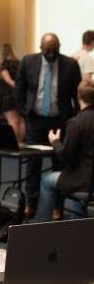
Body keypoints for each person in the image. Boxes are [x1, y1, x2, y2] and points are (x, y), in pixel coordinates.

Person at [15, 33, 82, 218]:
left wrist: (75, 118)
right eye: (47, 50)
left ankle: (57, 207)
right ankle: (31, 203)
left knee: (59, 164)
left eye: (55, 49)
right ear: (40, 48)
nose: (51, 53)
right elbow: (19, 88)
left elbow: (77, 94)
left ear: (59, 46)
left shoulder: (70, 65)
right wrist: (23, 111)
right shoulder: (28, 62)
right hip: (35, 120)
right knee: (32, 164)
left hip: (60, 121)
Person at [33, 79, 94, 222]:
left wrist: (55, 141)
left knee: (47, 180)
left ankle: (40, 225)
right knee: (73, 178)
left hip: (83, 181)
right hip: (89, 179)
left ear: (78, 96)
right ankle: (76, 224)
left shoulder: (77, 123)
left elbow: (65, 156)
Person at [0, 43, 26, 143]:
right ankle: (21, 142)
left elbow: (8, 80)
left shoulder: (4, 64)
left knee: (12, 121)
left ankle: (14, 144)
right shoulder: (19, 62)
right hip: (20, 95)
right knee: (21, 121)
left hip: (8, 96)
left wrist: (16, 87)